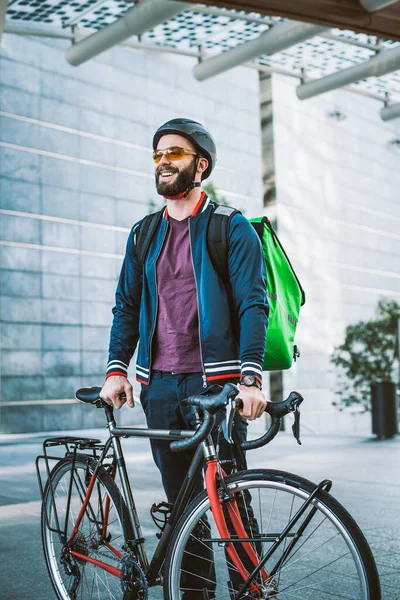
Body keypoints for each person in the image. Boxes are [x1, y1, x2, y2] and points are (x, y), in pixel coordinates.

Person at [100, 118, 269, 596]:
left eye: (174, 153)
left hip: (215, 385)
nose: (163, 162)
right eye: (157, 155)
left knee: (230, 502)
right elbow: (126, 306)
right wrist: (117, 369)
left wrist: (251, 379)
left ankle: (249, 592)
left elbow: (254, 304)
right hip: (161, 387)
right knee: (183, 509)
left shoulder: (229, 228)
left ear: (201, 165)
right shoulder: (144, 234)